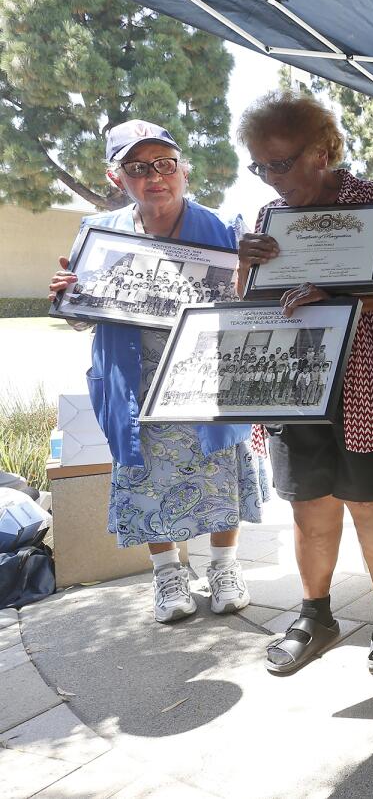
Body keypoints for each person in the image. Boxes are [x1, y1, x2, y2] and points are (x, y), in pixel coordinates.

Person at [47, 120, 264, 623]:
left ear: (183, 169)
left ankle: (224, 567)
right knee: (144, 474)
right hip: (135, 381)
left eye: (165, 164)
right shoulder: (100, 234)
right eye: (138, 168)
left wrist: (249, 277)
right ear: (115, 177)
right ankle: (168, 573)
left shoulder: (225, 228)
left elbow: (249, 305)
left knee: (220, 469)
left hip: (205, 378)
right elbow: (83, 318)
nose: (155, 177)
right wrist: (67, 298)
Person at [235, 90, 373, 676]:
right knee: (308, 505)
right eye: (259, 165)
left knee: (371, 502)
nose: (269, 177)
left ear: (322, 151)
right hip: (296, 380)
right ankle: (315, 615)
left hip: (365, 379)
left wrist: (337, 297)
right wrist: (245, 263)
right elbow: (255, 304)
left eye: (280, 163)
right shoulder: (269, 217)